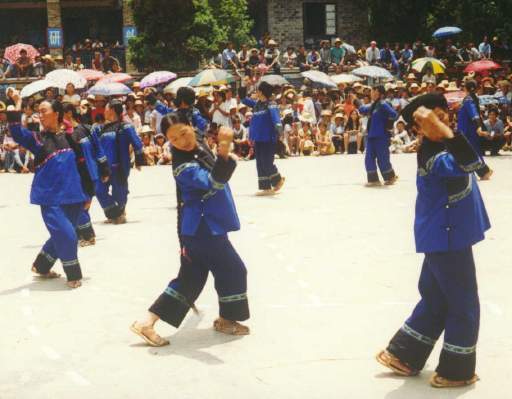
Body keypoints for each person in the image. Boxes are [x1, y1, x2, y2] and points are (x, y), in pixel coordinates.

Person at [377, 93, 490, 388]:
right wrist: (447, 134)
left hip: (441, 235)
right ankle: (456, 371)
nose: (446, 122)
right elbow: (472, 164)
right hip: (447, 236)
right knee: (464, 302)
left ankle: (402, 354)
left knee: (437, 297)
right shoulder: (435, 154)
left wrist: (446, 132)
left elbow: (480, 166)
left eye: (446, 115)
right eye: (437, 118)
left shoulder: (441, 146)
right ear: (422, 128)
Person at [131, 121, 250, 347]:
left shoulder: (198, 142)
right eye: (174, 139)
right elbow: (212, 183)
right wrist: (224, 150)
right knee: (233, 270)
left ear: (190, 127)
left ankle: (146, 323)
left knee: (190, 280)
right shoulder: (183, 166)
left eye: (184, 133)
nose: (182, 142)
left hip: (198, 228)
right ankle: (226, 319)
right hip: (204, 229)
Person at [6, 94, 87, 289]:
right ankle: (73, 274)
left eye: (44, 111)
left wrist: (89, 192)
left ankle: (41, 266)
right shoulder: (38, 140)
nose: (40, 116)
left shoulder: (72, 136)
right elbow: (16, 132)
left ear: (56, 114)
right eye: (38, 112)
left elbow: (84, 165)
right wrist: (18, 102)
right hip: (50, 197)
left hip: (75, 195)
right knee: (68, 235)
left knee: (61, 234)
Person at [63, 103, 110, 246]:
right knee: (80, 207)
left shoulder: (86, 129)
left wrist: (104, 169)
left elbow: (98, 149)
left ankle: (88, 235)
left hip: (89, 174)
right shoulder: (61, 134)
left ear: (69, 113)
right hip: (72, 176)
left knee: (80, 206)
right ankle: (81, 233)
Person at [94, 99, 144, 224]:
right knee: (99, 190)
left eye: (105, 108)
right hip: (104, 166)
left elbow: (137, 143)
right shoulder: (102, 128)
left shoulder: (125, 126)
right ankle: (115, 213)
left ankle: (119, 213)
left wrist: (139, 160)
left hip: (119, 165)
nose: (104, 111)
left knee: (119, 190)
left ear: (111, 110)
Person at [241, 81, 285, 195]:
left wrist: (280, 131)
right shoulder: (256, 104)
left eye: (258, 90)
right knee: (259, 162)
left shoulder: (271, 104)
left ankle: (278, 180)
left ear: (261, 92)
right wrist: (243, 85)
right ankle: (266, 188)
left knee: (267, 162)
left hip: (268, 137)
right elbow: (243, 99)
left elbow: (276, 119)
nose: (256, 92)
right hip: (258, 138)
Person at [359, 86, 399, 186]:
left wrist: (388, 125)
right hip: (372, 135)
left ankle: (390, 177)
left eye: (372, 91)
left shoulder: (383, 104)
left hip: (381, 136)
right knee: (369, 158)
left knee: (383, 158)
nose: (370, 93)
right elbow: (362, 109)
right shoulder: (374, 105)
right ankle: (373, 180)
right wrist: (355, 99)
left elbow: (394, 114)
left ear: (377, 92)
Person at [458, 80, 493, 180]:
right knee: (473, 151)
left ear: (465, 88)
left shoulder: (468, 100)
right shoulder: (472, 99)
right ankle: (484, 172)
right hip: (468, 130)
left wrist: (478, 128)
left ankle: (483, 172)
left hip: (468, 131)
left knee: (471, 152)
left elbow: (474, 115)